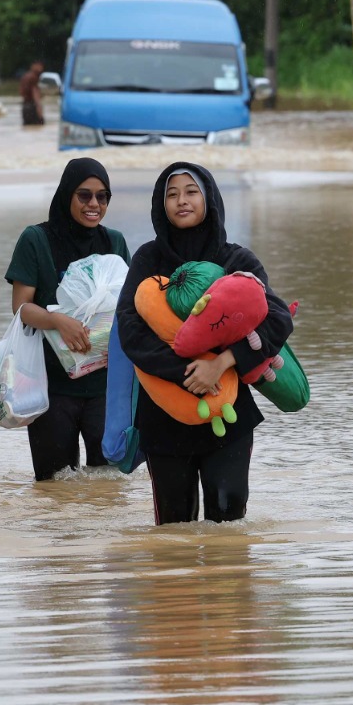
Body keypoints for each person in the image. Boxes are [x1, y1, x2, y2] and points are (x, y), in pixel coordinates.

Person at [114, 162, 293, 524]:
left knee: (228, 526)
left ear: (209, 198)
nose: (182, 200)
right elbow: (130, 329)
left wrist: (223, 362)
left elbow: (277, 319)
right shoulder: (149, 259)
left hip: (230, 419)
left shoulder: (236, 260)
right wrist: (186, 372)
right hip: (163, 419)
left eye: (191, 191)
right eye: (172, 193)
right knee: (173, 531)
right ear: (159, 204)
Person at [6, 158, 131, 480]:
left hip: (106, 387)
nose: (94, 204)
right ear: (66, 195)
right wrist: (59, 320)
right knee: (54, 487)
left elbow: (129, 307)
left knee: (109, 486)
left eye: (102, 197)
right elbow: (21, 308)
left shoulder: (114, 242)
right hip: (50, 387)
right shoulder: (36, 239)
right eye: (84, 195)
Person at [19, 61, 46, 126]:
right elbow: (36, 96)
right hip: (32, 107)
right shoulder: (33, 78)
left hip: (25, 107)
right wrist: (40, 113)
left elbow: (21, 92)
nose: (41, 68)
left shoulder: (25, 76)